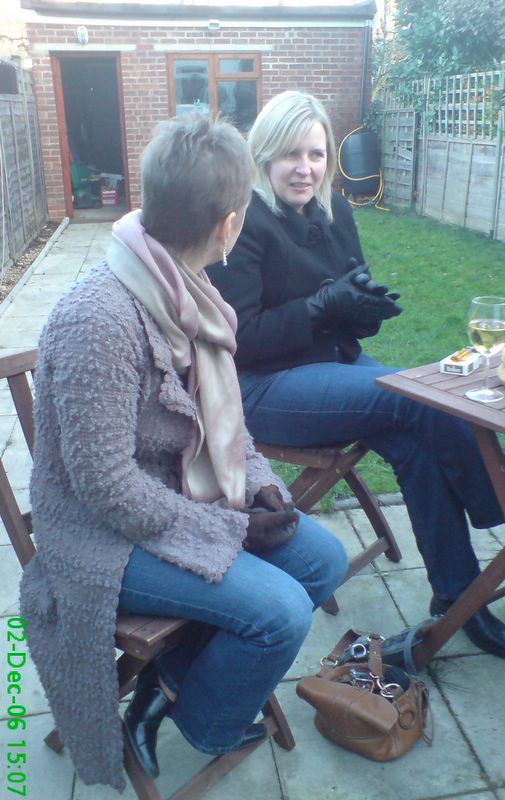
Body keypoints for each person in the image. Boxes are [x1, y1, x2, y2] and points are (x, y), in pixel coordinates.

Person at [207, 90, 505, 661]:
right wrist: (321, 307)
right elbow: (240, 337)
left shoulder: (334, 211)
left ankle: (458, 596)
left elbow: (350, 298)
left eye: (316, 154)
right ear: (264, 153)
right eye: (291, 154)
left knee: (417, 441)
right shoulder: (243, 221)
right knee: (420, 399)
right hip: (264, 387)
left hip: (335, 366)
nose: (305, 168)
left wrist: (360, 308)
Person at [20, 111, 347, 791]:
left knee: (323, 558)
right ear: (229, 225)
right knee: (281, 613)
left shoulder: (185, 289)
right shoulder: (99, 321)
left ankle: (164, 689)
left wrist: (260, 484)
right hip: (100, 538)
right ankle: (207, 722)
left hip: (176, 500)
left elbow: (223, 421)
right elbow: (104, 488)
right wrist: (226, 528)